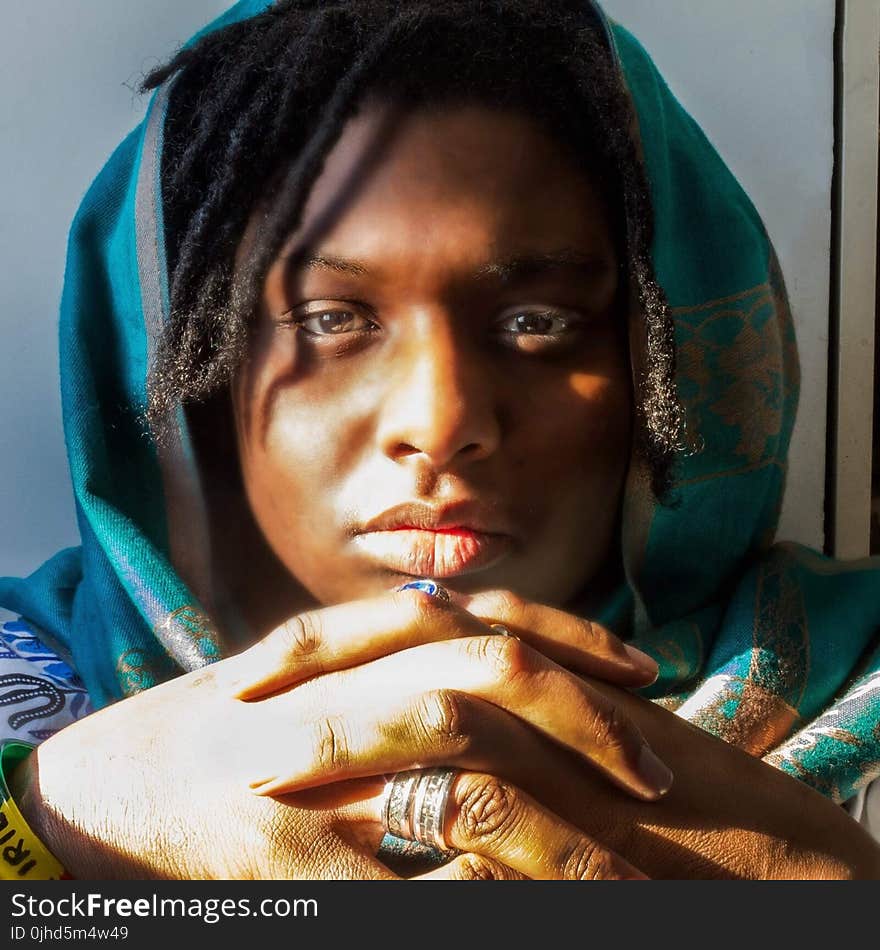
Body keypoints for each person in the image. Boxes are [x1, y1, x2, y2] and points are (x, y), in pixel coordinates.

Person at [1, 0, 879, 880]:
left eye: (538, 320)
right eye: (330, 317)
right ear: (189, 377)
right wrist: (53, 820)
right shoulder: (37, 737)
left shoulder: (859, 692)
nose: (442, 422)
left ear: (675, 359)